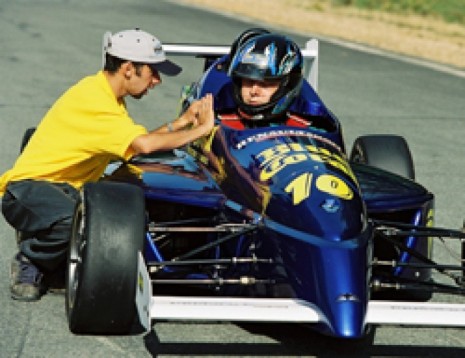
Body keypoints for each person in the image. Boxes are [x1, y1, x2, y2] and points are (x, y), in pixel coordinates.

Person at [0, 28, 214, 301]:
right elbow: (145, 146)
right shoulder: (95, 101)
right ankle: (30, 260)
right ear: (128, 68)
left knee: (94, 219)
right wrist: (202, 129)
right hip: (27, 190)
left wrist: (181, 123)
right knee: (80, 223)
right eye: (153, 72)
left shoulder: (108, 98)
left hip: (63, 189)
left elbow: (135, 145)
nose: (157, 81)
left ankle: (54, 261)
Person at [217, 32, 311, 129]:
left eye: (265, 84)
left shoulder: (307, 130)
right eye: (248, 82)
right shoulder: (217, 127)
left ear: (287, 86)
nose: (254, 92)